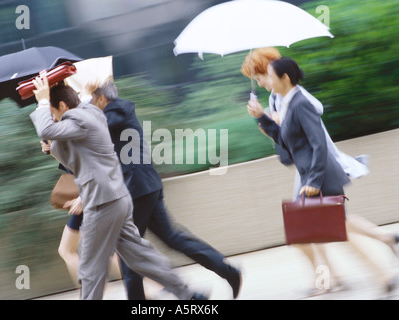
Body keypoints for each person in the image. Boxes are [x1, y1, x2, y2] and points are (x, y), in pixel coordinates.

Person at [57, 79, 241, 300]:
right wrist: (54, 146)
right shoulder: (111, 113)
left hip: (136, 188)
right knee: (171, 238)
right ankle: (227, 271)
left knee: (129, 256)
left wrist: (66, 119)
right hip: (143, 186)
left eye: (93, 101)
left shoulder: (116, 111)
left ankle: (178, 296)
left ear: (103, 99)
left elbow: (89, 131)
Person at [30, 76, 206, 300]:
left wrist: (43, 101)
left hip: (101, 202)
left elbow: (46, 128)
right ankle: (190, 295)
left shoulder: (80, 119)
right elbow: (77, 160)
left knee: (91, 268)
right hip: (117, 198)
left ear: (63, 106)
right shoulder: (91, 113)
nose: (53, 119)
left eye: (54, 113)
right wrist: (52, 148)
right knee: (142, 257)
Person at [247, 56, 399, 294]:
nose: (267, 82)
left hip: (319, 177)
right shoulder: (287, 102)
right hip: (311, 176)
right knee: (325, 232)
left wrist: (313, 182)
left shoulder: (300, 103)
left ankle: (376, 274)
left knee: (324, 232)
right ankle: (372, 271)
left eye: (270, 76)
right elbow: (289, 142)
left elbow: (319, 145)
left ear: (284, 78)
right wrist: (263, 120)